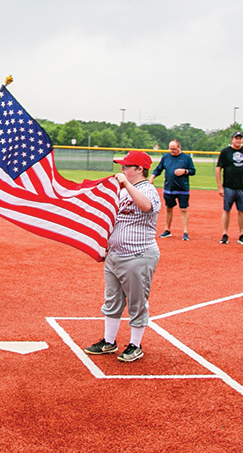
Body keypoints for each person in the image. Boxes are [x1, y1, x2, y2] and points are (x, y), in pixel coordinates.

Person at [83, 151, 162, 363]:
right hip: (115, 256)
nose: (122, 170)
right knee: (112, 300)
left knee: (136, 302)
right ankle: (109, 341)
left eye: (127, 166)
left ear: (139, 169)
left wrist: (127, 185)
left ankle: (135, 345)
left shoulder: (148, 189)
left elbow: (147, 206)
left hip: (138, 255)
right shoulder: (123, 191)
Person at [215, 131, 243, 245]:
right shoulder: (225, 152)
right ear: (232, 139)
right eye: (236, 138)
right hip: (228, 186)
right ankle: (224, 234)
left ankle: (242, 234)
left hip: (241, 187)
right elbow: (218, 169)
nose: (238, 140)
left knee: (241, 211)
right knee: (226, 210)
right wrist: (220, 187)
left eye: (240, 138)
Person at [150, 139, 195, 241]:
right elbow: (159, 169)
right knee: (168, 208)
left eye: (174, 149)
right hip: (169, 188)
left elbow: (193, 171)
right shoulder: (166, 157)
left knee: (183, 209)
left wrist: (185, 171)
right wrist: (152, 177)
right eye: (170, 149)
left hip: (182, 188)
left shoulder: (186, 158)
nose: (172, 151)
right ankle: (167, 230)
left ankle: (185, 232)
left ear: (179, 148)